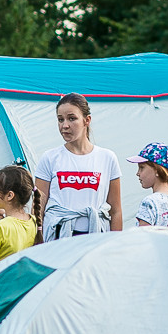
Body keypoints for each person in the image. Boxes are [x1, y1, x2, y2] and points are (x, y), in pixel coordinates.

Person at [35, 92, 122, 241]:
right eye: (60, 120)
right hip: (58, 237)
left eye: (72, 118)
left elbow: (116, 211)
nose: (65, 125)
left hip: (95, 238)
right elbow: (38, 208)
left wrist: (115, 246)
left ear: (86, 120)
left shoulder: (107, 158)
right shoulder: (49, 158)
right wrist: (38, 241)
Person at [127, 142, 168, 228]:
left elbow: (142, 237)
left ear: (157, 170)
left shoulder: (149, 202)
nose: (137, 173)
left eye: (142, 168)